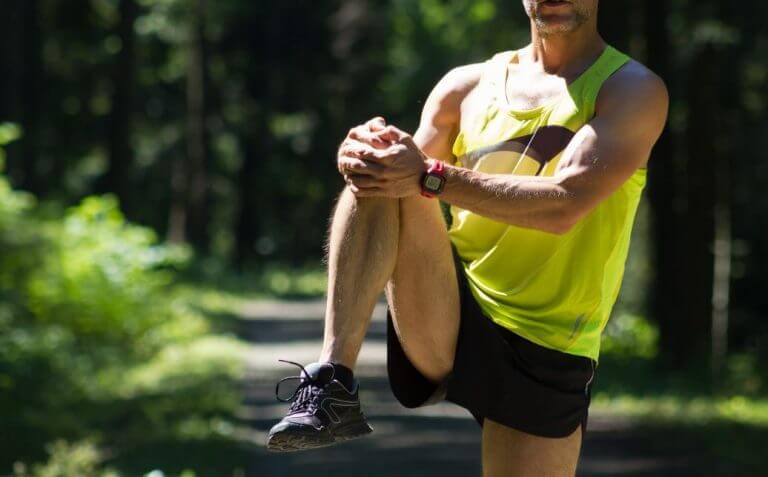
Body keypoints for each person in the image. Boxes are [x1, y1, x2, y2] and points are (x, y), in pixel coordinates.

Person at [266, 0, 668, 474]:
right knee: (380, 165)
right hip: (451, 311)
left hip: (549, 346)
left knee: (402, 169)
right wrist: (364, 153)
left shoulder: (631, 89)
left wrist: (430, 175)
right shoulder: (466, 87)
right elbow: (403, 177)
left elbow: (565, 203)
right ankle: (333, 378)